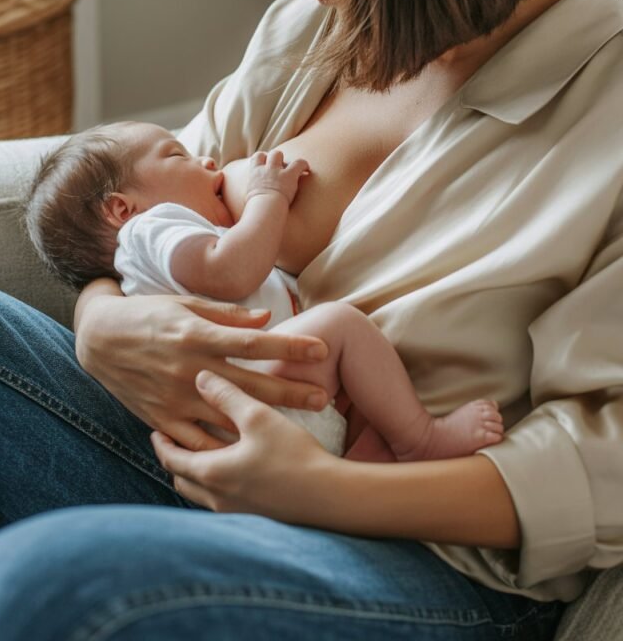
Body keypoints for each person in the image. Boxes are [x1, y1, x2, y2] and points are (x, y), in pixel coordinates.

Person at [0, 0, 621, 641]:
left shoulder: (601, 101)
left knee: (57, 585)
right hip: (202, 466)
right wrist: (102, 322)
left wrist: (325, 487)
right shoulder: (306, 37)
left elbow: (604, 455)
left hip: (413, 555)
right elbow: (149, 209)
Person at [25, 120, 504, 462]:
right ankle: (419, 436)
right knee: (339, 325)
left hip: (260, 414)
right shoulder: (150, 231)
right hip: (264, 397)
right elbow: (230, 272)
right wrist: (266, 197)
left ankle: (378, 457)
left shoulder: (153, 255)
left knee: (358, 381)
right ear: (121, 210)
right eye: (177, 155)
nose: (206, 160)